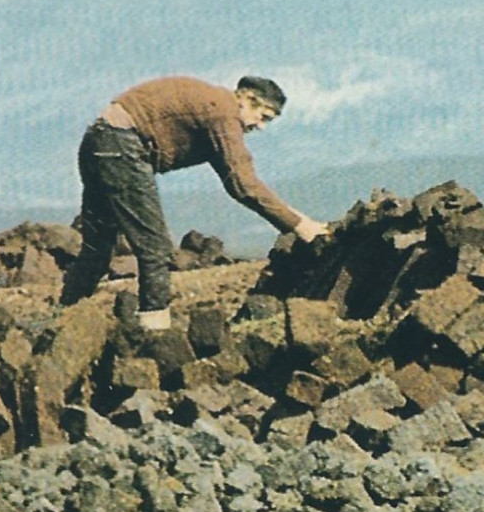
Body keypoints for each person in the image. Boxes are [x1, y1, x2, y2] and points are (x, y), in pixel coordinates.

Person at [61, 74, 328, 328]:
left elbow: (240, 181)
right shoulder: (223, 112)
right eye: (263, 117)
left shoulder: (212, 107)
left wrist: (299, 221)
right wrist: (300, 227)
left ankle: (62, 320)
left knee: (97, 249)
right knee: (155, 249)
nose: (260, 126)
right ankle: (153, 333)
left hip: (98, 141)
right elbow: (244, 185)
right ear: (245, 99)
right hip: (122, 146)